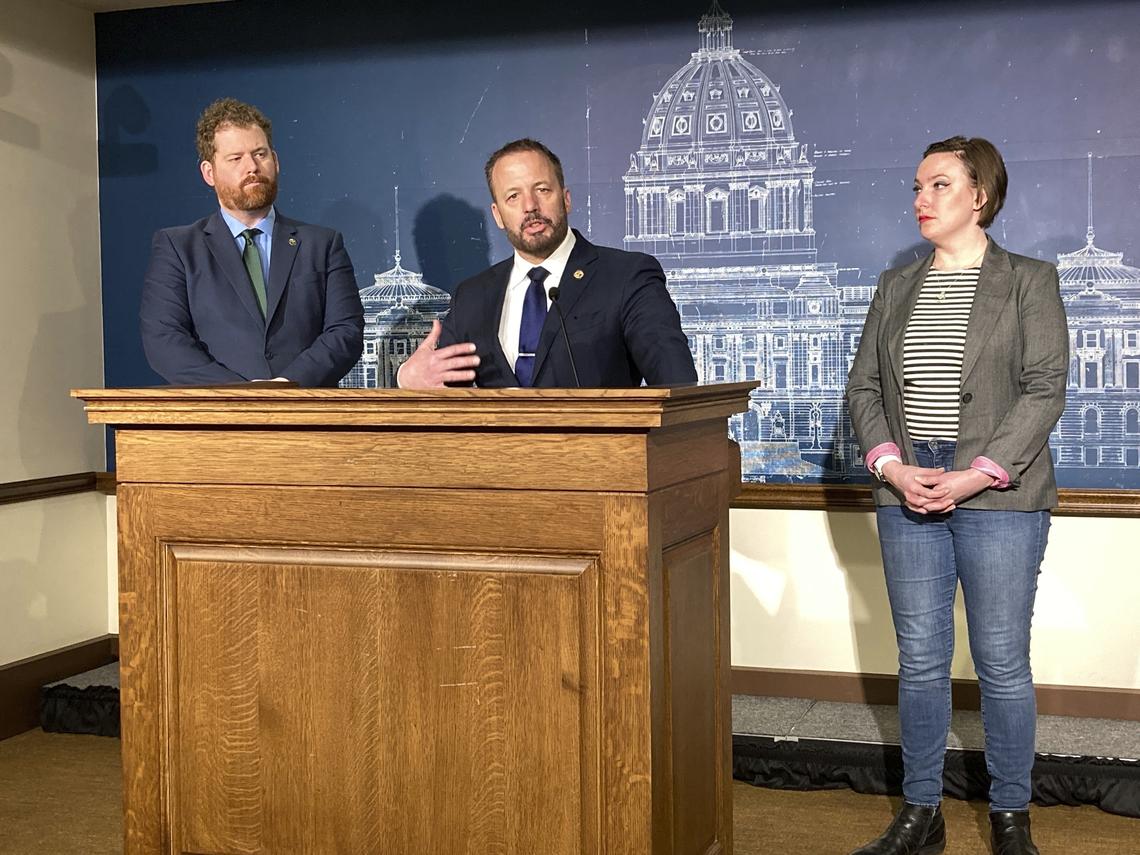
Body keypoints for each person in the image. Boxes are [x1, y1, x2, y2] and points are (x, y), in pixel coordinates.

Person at [845, 136, 1068, 855]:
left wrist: (979, 471)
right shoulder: (894, 285)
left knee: (1001, 663)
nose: (920, 199)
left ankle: (1010, 817)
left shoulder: (1031, 280)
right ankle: (921, 812)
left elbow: (1043, 389)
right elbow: (864, 389)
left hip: (998, 494)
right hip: (908, 491)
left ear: (980, 195)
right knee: (919, 662)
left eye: (939, 185)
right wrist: (890, 466)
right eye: (916, 186)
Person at [397, 138, 696, 388]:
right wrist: (407, 380)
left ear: (566, 199)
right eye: (513, 196)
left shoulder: (627, 277)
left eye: (542, 190)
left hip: (601, 457)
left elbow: (676, 387)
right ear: (498, 215)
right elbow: (442, 390)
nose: (530, 207)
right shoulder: (473, 296)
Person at [140, 98, 363, 386]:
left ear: (276, 161)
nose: (252, 167)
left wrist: (287, 386)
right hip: (217, 422)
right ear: (209, 173)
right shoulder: (178, 248)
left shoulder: (323, 245)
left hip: (306, 418)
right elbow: (163, 340)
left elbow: (345, 330)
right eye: (236, 159)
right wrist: (242, 395)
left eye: (260, 154)